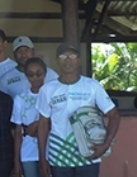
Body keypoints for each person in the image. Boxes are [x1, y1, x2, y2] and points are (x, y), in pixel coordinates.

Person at [37, 43, 120, 177]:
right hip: (59, 154)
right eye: (63, 56)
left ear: (79, 60)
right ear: (57, 61)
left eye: (72, 56)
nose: (68, 59)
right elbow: (43, 125)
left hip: (89, 152)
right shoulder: (47, 89)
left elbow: (114, 115)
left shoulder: (92, 86)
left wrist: (106, 144)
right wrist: (42, 158)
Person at [11, 58, 50, 177]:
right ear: (26, 76)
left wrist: (39, 124)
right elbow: (18, 132)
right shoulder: (20, 99)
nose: (35, 78)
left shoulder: (52, 95)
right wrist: (16, 160)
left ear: (45, 73)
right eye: (30, 74)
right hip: (27, 151)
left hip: (50, 150)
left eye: (39, 74)